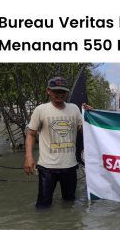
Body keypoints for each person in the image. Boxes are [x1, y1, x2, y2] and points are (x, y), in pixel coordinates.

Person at [23, 77, 83, 208]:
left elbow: (85, 131)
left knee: (70, 203)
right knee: (43, 206)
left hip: (70, 166)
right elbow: (31, 133)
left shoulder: (74, 109)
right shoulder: (41, 109)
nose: (59, 94)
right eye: (56, 91)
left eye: (62, 91)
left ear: (67, 92)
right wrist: (28, 157)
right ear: (48, 91)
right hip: (47, 168)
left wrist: (89, 114)